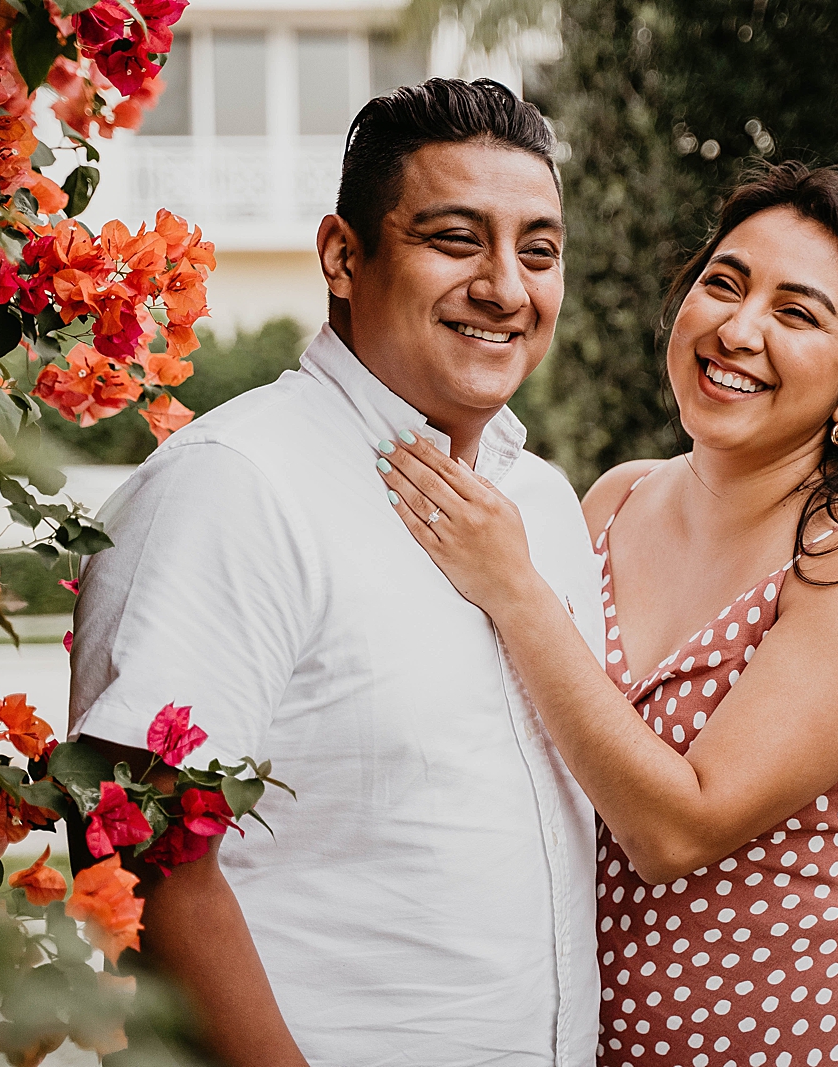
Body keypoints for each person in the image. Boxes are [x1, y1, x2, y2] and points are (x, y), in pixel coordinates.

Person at [377, 161, 838, 1067]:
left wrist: (514, 586)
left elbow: (674, 830)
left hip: (799, 1045)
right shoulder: (616, 500)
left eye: (796, 312)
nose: (737, 329)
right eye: (724, 285)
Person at [68, 79, 605, 1067]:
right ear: (343, 256)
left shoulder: (545, 505)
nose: (505, 286)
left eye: (538, 250)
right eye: (455, 238)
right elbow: (143, 859)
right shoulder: (234, 485)